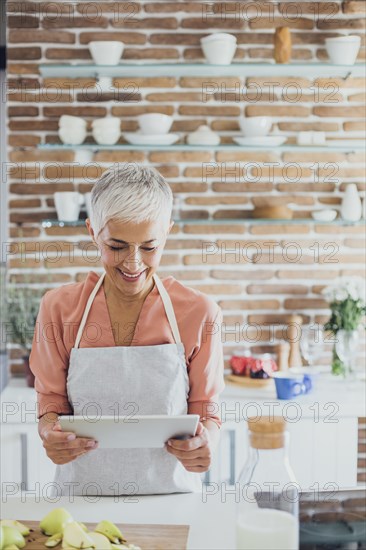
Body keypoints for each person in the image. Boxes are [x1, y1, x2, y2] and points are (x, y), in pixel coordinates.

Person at [30, 163, 225, 496]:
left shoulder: (200, 312)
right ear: (93, 232)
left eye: (149, 247)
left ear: (167, 232)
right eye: (117, 246)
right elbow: (51, 402)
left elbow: (206, 408)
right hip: (80, 501)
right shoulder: (58, 309)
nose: (133, 263)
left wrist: (207, 443)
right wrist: (49, 432)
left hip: (173, 500)